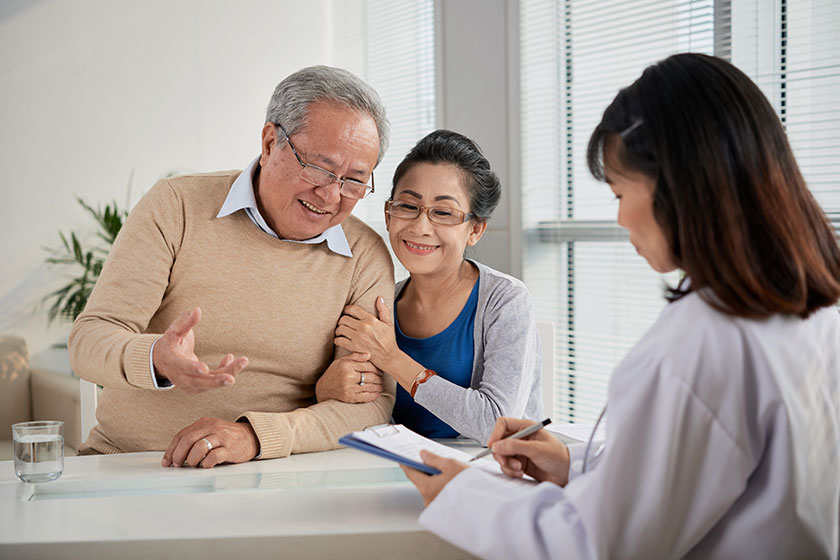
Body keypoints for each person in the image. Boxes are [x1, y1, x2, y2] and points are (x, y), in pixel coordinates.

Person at [399, 53, 840, 559]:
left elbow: (596, 544)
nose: (622, 218)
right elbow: (694, 475)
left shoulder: (702, 343)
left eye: (620, 192)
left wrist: (461, 495)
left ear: (681, 188)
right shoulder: (806, 312)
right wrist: (575, 463)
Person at [68, 65, 397, 468]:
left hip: (276, 473)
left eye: (354, 180)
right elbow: (88, 341)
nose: (331, 194)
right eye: (318, 167)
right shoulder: (177, 206)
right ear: (270, 141)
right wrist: (156, 356)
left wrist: (256, 437)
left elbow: (371, 404)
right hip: (132, 463)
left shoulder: (365, 255)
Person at [315, 129, 543, 444]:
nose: (421, 227)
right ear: (388, 213)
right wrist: (324, 390)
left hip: (487, 477)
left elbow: (496, 424)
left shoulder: (505, 300)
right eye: (408, 206)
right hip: (397, 474)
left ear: (475, 229)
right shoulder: (380, 301)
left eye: (443, 213)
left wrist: (392, 358)